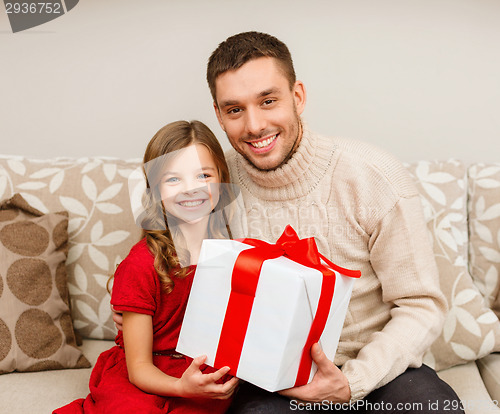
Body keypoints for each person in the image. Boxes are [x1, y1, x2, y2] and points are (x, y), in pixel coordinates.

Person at [116, 32, 465, 413]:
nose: (254, 125)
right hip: (269, 379)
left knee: (437, 408)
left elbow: (420, 304)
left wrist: (353, 383)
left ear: (297, 96)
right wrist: (127, 303)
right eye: (234, 110)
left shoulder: (373, 177)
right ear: (218, 114)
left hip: (375, 370)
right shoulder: (213, 183)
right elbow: (165, 255)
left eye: (268, 101)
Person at [54, 120, 239, 414]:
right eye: (173, 179)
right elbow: (139, 367)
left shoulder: (233, 254)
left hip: (197, 372)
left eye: (203, 175)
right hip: (142, 373)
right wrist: (180, 387)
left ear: (221, 180)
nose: (191, 189)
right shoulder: (141, 265)